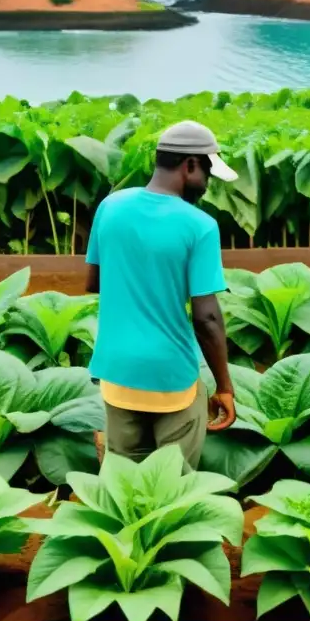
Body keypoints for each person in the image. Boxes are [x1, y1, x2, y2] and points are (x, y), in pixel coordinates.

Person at [84, 120, 239, 470]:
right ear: (190, 166)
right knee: (173, 483)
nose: (207, 185)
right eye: (208, 174)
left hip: (116, 369)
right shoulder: (199, 225)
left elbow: (95, 282)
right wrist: (224, 387)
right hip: (171, 376)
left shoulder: (110, 207)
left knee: (123, 479)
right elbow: (207, 318)